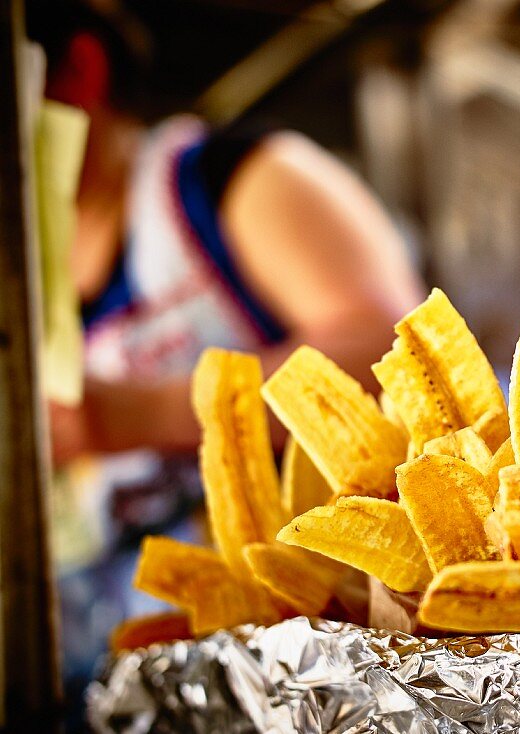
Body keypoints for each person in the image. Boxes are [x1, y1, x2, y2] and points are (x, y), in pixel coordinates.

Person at [27, 0, 424, 700]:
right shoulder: (25, 283)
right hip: (151, 666)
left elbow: (391, 353)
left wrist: (132, 417)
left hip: (338, 643)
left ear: (79, 71)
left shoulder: (232, 181)